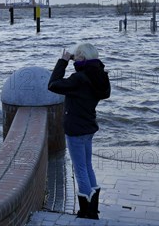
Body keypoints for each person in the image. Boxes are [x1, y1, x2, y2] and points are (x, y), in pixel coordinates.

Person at [48, 43, 111, 220]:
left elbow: (53, 84)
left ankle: (86, 212)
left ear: (82, 58)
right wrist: (76, 60)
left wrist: (63, 61)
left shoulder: (79, 79)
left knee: (80, 168)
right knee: (87, 165)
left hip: (76, 129)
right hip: (89, 127)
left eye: (77, 55)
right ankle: (93, 207)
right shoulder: (99, 76)